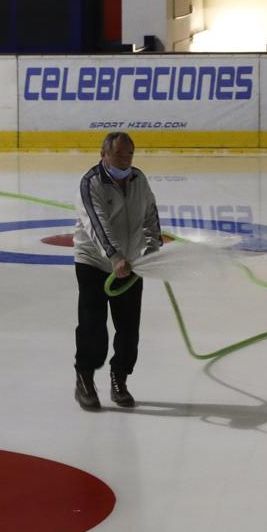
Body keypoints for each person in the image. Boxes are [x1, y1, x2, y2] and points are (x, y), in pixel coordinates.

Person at [72, 131, 162, 410]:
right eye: (119, 154)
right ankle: (84, 380)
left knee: (128, 330)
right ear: (104, 155)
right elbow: (97, 224)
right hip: (95, 263)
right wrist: (114, 256)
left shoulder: (139, 179)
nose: (125, 160)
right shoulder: (90, 183)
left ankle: (119, 378)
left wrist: (153, 246)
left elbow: (151, 214)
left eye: (130, 154)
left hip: (131, 263)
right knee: (93, 327)